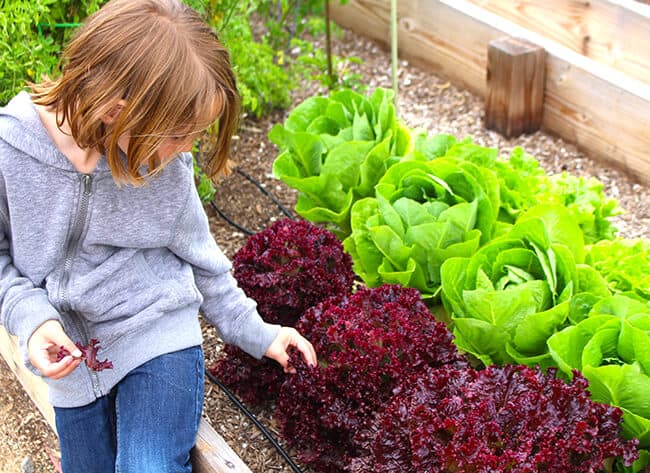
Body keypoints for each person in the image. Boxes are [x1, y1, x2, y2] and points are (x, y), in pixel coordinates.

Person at [0, 0, 317, 471]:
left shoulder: (166, 170)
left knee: (148, 466)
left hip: (156, 333)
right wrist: (32, 320)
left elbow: (206, 264)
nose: (187, 149)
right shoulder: (12, 150)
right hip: (71, 355)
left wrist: (257, 333)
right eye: (179, 133)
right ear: (117, 110)